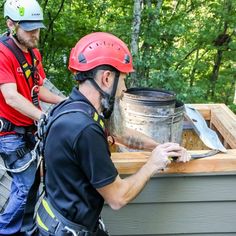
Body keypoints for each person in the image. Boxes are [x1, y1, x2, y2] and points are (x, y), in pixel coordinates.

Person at [36, 32, 190, 236]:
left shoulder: (72, 108)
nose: (124, 89)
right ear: (107, 78)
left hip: (60, 219)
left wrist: (161, 147)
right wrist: (153, 164)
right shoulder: (84, 129)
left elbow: (120, 134)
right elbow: (118, 197)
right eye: (123, 79)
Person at [0, 0, 65, 235]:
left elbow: (38, 88)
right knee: (24, 187)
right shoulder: (2, 53)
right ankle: (5, 230)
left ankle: (25, 229)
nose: (35, 34)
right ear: (11, 24)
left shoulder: (33, 52)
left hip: (28, 130)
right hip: (10, 133)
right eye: (29, 29)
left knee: (33, 185)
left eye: (37, 28)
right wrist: (42, 116)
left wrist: (64, 101)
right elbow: (11, 97)